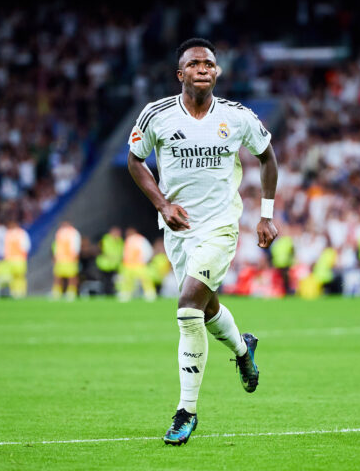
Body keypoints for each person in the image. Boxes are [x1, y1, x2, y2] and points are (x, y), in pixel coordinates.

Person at [127, 38, 278, 446]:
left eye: (209, 63)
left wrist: (265, 215)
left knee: (188, 306)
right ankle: (244, 350)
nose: (202, 68)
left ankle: (186, 411)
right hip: (177, 231)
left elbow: (268, 157)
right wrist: (162, 204)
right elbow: (135, 160)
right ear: (181, 74)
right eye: (193, 63)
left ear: (217, 72)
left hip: (219, 227)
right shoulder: (156, 114)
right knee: (207, 309)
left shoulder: (237, 116)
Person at [117, 227, 156, 302]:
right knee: (127, 280)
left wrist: (144, 260)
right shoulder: (128, 240)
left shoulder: (140, 239)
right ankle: (125, 294)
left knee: (145, 279)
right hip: (128, 265)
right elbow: (125, 252)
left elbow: (148, 251)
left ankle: (150, 294)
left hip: (139, 264)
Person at [52, 220, 81, 301]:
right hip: (60, 258)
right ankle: (57, 293)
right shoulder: (59, 232)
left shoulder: (74, 233)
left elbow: (76, 246)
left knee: (72, 276)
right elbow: (57, 245)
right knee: (57, 276)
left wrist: (76, 257)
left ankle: (71, 292)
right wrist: (55, 256)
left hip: (70, 258)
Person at [4, 219, 31, 299]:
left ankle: (20, 292)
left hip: (19, 258)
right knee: (14, 276)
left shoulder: (21, 233)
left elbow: (26, 246)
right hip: (13, 258)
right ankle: (15, 292)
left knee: (20, 276)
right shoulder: (9, 234)